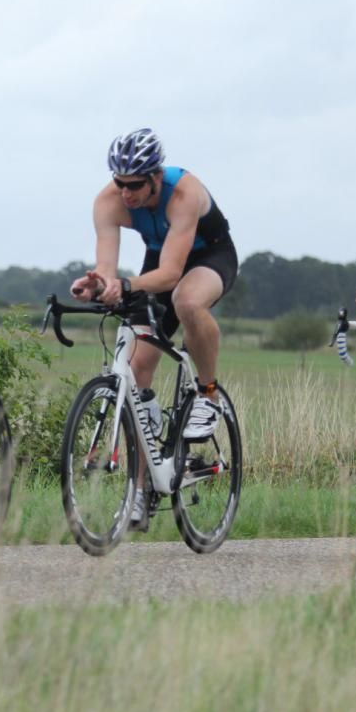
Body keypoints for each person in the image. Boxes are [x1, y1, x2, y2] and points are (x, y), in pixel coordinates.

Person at [69, 128, 238, 523]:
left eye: (135, 185)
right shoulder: (108, 202)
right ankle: (142, 490)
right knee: (137, 369)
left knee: (188, 300)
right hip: (159, 262)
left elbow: (172, 275)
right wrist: (99, 284)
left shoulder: (185, 195)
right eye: (119, 183)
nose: (126, 193)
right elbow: (108, 268)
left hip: (210, 258)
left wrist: (125, 285)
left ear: (156, 177)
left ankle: (208, 396)